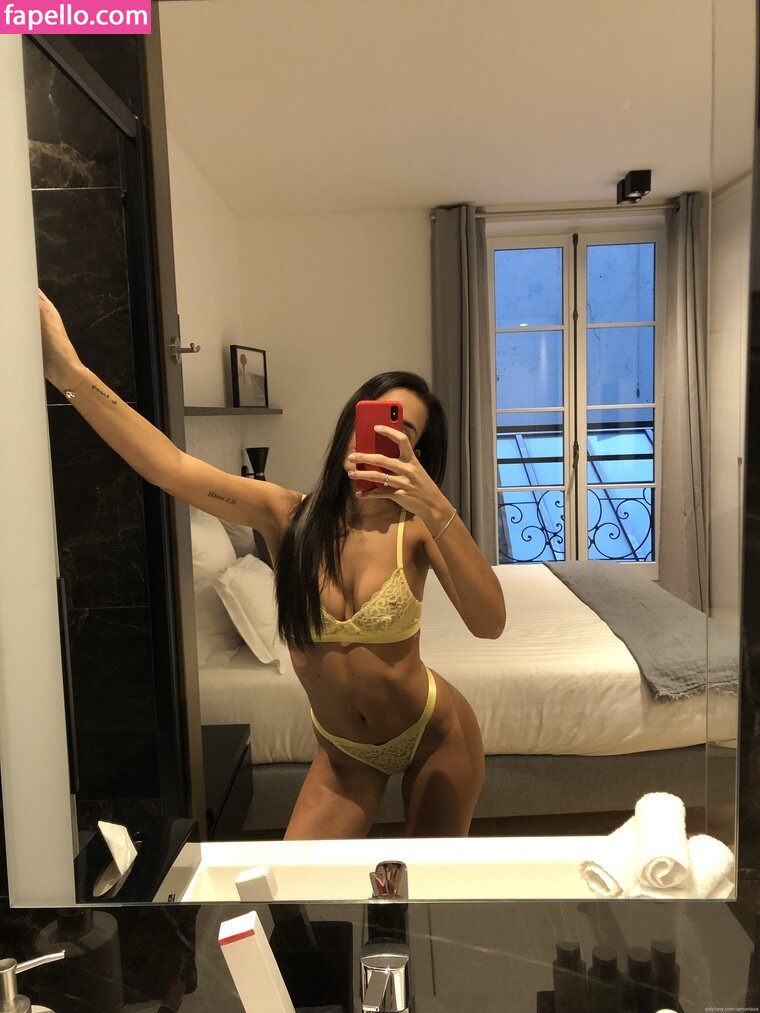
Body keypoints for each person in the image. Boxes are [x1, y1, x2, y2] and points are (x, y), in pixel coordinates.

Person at [38, 289, 506, 839]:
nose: (379, 441)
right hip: (345, 756)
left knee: (425, 884)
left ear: (416, 456)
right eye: (371, 424)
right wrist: (70, 373)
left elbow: (489, 624)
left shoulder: (420, 529)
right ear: (349, 428)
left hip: (435, 734)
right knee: (297, 890)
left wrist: (437, 505)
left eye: (399, 435)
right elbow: (170, 468)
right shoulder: (286, 515)